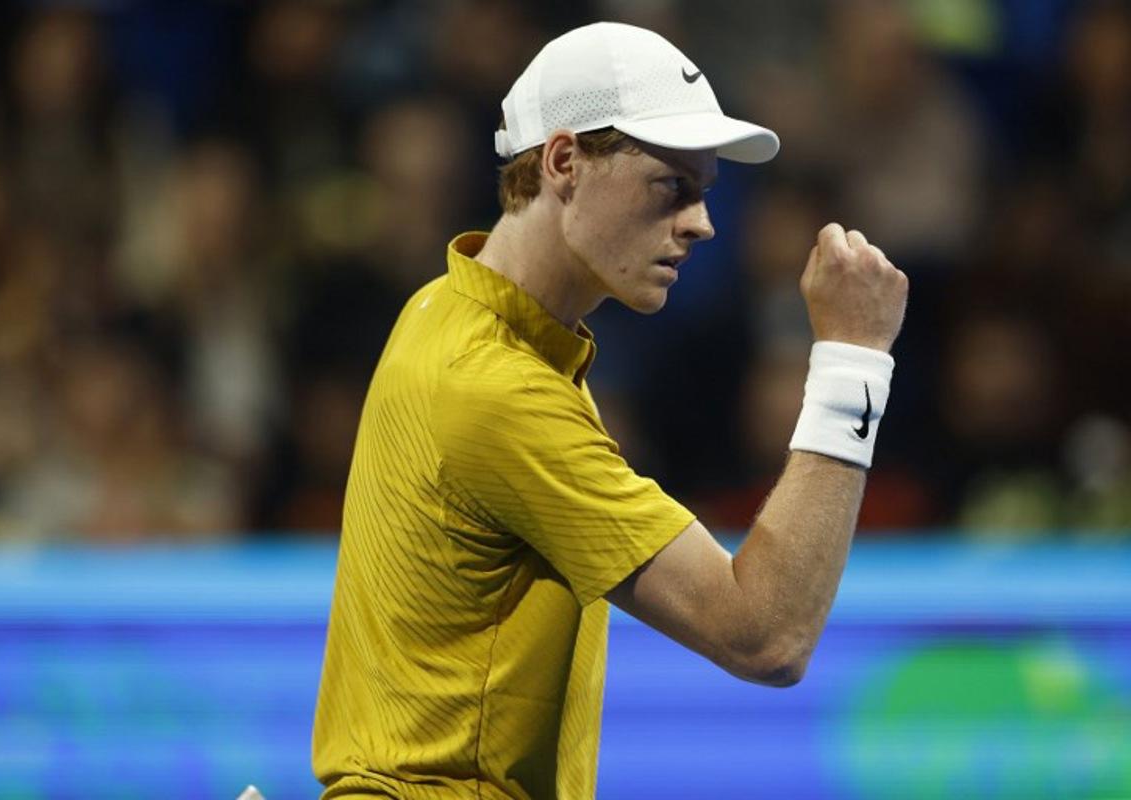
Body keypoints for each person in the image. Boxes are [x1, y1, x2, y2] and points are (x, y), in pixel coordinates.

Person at [311, 21, 908, 800]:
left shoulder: (445, 311)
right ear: (563, 163)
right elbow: (767, 635)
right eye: (672, 187)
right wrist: (853, 360)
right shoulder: (496, 388)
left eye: (703, 193)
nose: (702, 223)